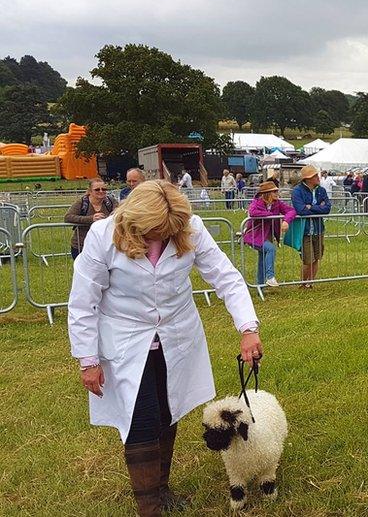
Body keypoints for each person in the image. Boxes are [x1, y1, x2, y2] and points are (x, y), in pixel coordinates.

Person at [67, 180, 261, 515]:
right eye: (155, 232)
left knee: (168, 412)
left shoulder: (191, 228)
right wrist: (88, 359)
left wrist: (247, 328)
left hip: (175, 335)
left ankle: (161, 488)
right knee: (140, 419)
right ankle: (149, 506)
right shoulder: (102, 236)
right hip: (125, 341)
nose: (162, 239)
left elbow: (226, 277)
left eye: (169, 232)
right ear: (135, 221)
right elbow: (84, 302)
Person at [244, 181, 296, 287]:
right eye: (274, 191)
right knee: (270, 249)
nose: (277, 193)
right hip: (254, 236)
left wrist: (286, 221)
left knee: (262, 259)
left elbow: (291, 211)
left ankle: (260, 286)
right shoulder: (256, 202)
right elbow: (253, 212)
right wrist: (270, 215)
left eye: (277, 191)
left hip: (266, 236)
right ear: (267, 193)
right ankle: (270, 277)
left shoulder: (277, 203)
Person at [291, 165, 332, 288]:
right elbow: (301, 210)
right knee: (308, 259)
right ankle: (303, 283)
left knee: (317, 257)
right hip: (305, 230)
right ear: (308, 178)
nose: (318, 177)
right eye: (315, 175)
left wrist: (312, 207)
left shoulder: (321, 190)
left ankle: (311, 283)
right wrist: (319, 207)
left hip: (319, 229)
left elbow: (327, 208)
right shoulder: (297, 191)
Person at [65, 178, 118, 259]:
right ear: (90, 191)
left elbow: (119, 212)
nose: (101, 191)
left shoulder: (110, 201)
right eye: (97, 189)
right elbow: (68, 217)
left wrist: (111, 216)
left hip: (105, 246)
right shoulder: (82, 202)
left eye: (104, 189)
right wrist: (90, 219)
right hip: (82, 245)